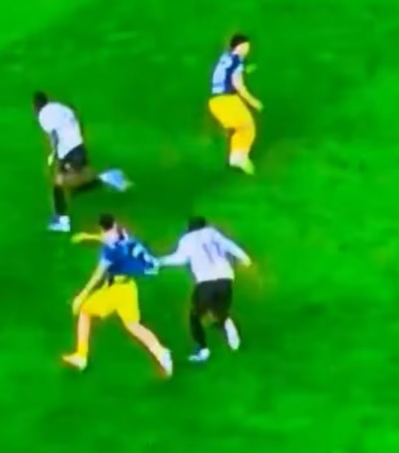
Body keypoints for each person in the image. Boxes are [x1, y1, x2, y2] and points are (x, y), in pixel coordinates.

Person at [63, 214, 173, 377]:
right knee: (134, 325)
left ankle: (81, 356)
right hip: (129, 287)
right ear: (114, 224)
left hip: (115, 291)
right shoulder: (122, 233)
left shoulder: (109, 251)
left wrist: (81, 296)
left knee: (84, 311)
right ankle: (161, 353)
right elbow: (107, 237)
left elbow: (98, 275)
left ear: (101, 227)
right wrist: (87, 236)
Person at [158, 216, 251, 362]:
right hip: (225, 279)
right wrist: (245, 258)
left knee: (195, 316)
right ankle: (231, 332)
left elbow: (180, 259)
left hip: (206, 282)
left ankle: (203, 350)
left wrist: (160, 261)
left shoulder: (187, 239)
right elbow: (229, 245)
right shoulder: (213, 233)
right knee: (219, 310)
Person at [34, 91, 131, 232]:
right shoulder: (60, 107)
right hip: (77, 146)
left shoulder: (43, 114)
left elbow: (54, 136)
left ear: (36, 106)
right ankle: (109, 178)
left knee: (60, 183)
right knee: (74, 185)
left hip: (70, 151)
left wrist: (53, 155)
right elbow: (76, 118)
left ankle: (62, 221)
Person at [208, 34, 262, 175]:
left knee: (241, 128)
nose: (247, 50)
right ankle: (238, 157)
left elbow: (227, 71)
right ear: (240, 46)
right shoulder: (237, 60)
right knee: (248, 127)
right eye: (246, 47)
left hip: (215, 102)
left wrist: (245, 70)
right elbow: (238, 85)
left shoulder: (225, 57)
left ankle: (236, 156)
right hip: (228, 100)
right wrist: (253, 101)